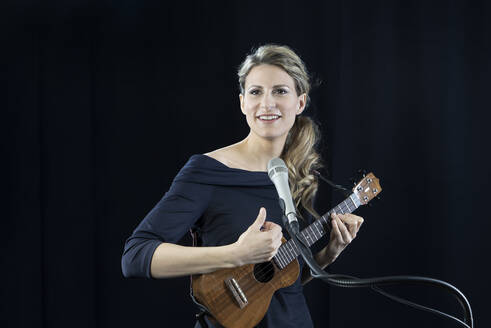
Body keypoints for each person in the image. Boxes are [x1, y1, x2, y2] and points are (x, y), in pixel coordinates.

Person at [121, 44, 364, 328]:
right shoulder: (207, 171)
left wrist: (328, 254)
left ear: (300, 102)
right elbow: (135, 256)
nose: (267, 104)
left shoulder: (295, 174)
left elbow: (279, 283)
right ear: (242, 103)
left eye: (280, 91)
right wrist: (236, 253)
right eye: (256, 91)